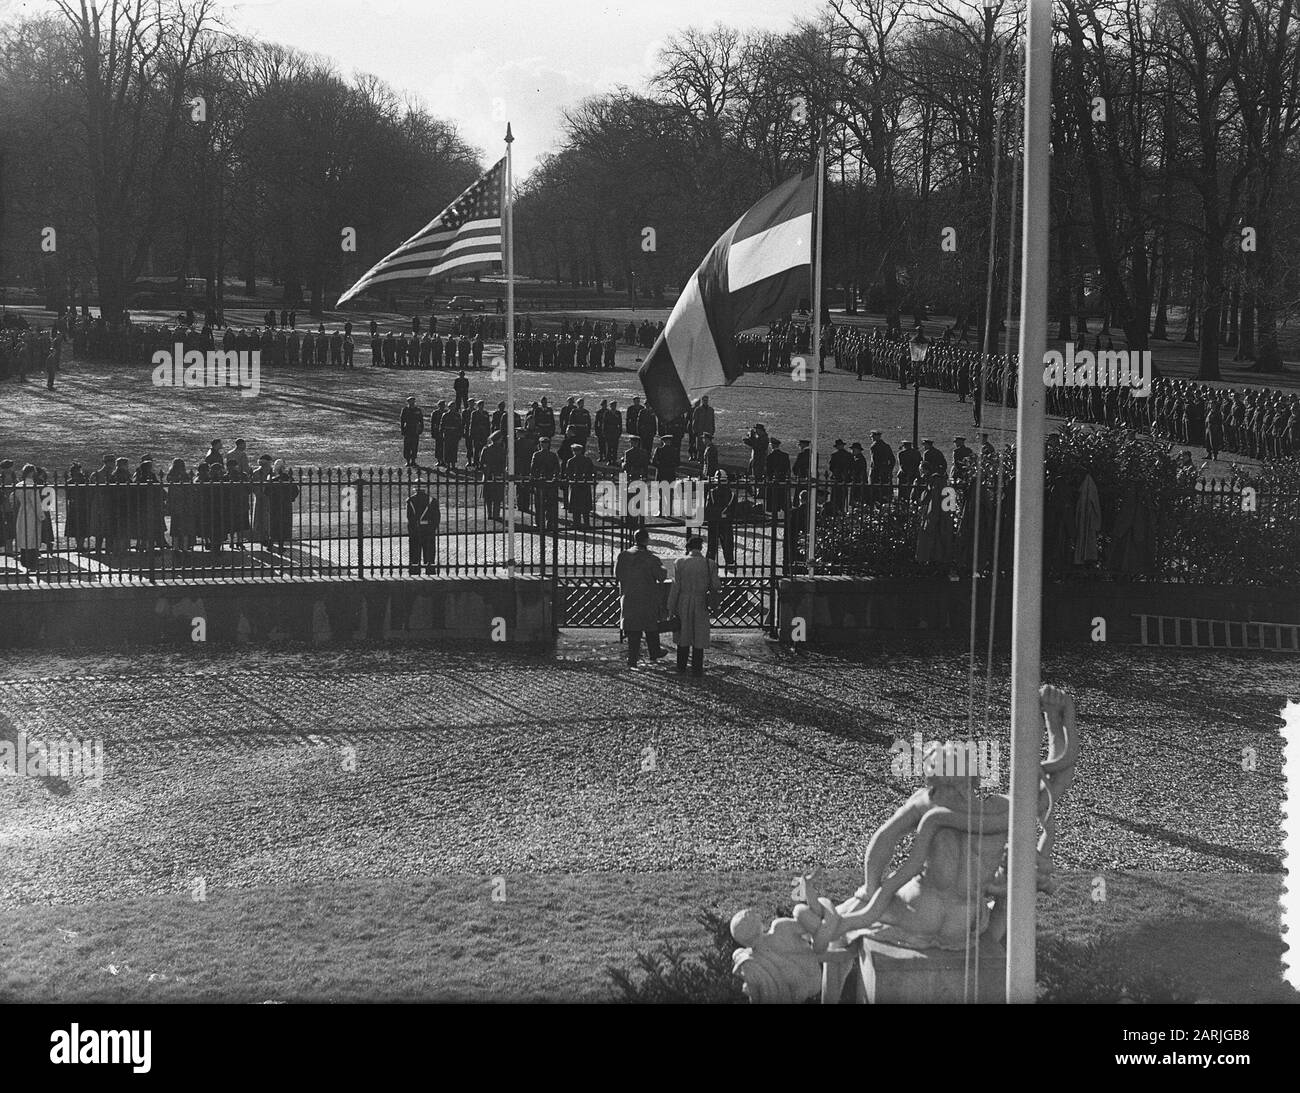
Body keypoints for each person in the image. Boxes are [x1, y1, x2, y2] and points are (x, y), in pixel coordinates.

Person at [666, 535, 720, 677]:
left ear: (688, 547)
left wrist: (671, 607)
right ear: (701, 548)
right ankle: (697, 668)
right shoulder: (710, 563)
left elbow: (675, 587)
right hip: (701, 600)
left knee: (683, 633)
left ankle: (681, 665)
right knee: (699, 634)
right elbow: (716, 585)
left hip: (683, 600)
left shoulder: (680, 562)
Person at [614, 527, 668, 669]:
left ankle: (632, 659)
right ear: (647, 540)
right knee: (650, 625)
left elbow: (617, 575)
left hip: (629, 597)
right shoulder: (651, 558)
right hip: (647, 597)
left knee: (633, 630)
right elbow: (661, 576)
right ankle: (654, 651)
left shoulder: (623, 556)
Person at [704, 470, 736, 567]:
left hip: (714, 522)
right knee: (728, 545)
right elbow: (734, 512)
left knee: (712, 545)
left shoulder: (712, 493)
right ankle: (730, 563)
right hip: (726, 522)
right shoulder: (732, 494)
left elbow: (707, 509)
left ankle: (710, 564)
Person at [406, 481, 440, 574]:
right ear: (425, 488)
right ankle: (430, 569)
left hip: (416, 528)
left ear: (415, 488)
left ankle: (414, 569)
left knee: (414, 551)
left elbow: (409, 517)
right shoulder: (432, 500)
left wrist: (412, 529)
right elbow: (436, 517)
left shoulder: (410, 500)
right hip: (428, 528)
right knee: (429, 551)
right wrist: (433, 528)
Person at [400, 396, 424, 467]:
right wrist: (402, 430)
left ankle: (413, 460)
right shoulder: (405, 410)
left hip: (415, 429)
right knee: (407, 446)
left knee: (414, 446)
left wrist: (421, 429)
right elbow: (402, 421)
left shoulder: (418, 410)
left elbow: (421, 421)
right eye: (410, 401)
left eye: (413, 401)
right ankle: (407, 461)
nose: (412, 403)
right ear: (408, 402)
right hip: (408, 429)